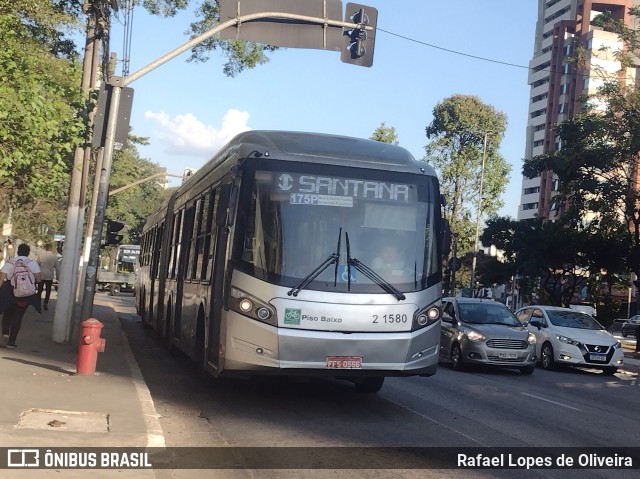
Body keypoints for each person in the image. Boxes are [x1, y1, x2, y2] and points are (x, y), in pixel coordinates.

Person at [0, 243, 42, 349]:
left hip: (10, 292)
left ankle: (5, 333)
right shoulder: (32, 263)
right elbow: (39, 279)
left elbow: (1, 278)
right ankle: (11, 342)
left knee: (7, 314)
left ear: (18, 252)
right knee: (18, 317)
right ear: (28, 253)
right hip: (25, 294)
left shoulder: (10, 262)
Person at [36, 242, 58, 310]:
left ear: (45, 248)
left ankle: (38, 302)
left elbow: (37, 264)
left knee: (40, 289)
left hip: (41, 274)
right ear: (51, 249)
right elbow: (57, 267)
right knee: (48, 290)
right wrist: (58, 277)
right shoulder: (54, 256)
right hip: (49, 274)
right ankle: (45, 303)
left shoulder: (41, 255)